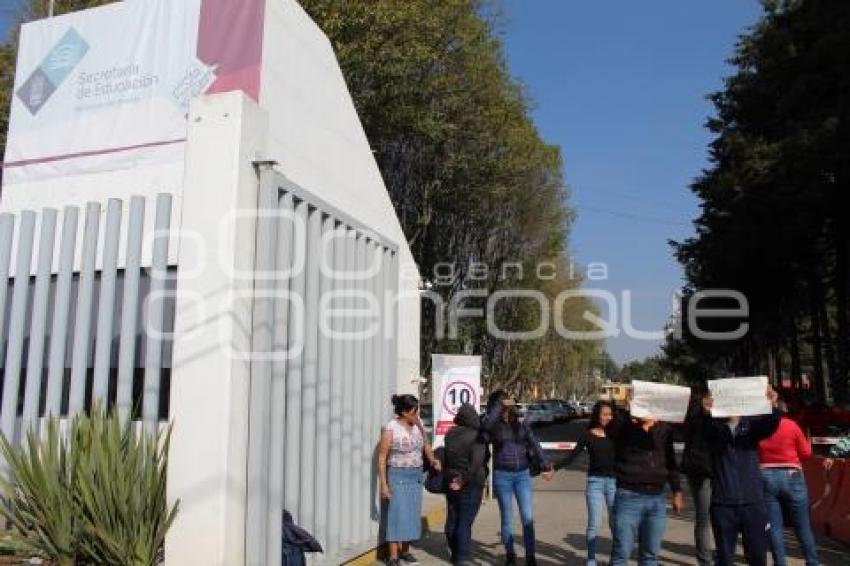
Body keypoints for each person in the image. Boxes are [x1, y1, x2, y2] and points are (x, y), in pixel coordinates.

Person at [699, 384, 781, 566]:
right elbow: (702, 428)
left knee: (758, 557)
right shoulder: (714, 429)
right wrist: (705, 412)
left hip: (753, 504)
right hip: (723, 504)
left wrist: (773, 405)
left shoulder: (751, 427)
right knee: (725, 559)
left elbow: (771, 424)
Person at [608, 396, 684, 566]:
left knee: (651, 555)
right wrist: (627, 411)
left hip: (657, 499)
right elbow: (610, 430)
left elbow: (671, 463)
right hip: (628, 497)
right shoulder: (625, 428)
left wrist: (677, 491)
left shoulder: (664, 429)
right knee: (622, 552)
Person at [481, 391, 554, 566]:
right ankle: (510, 555)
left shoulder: (520, 422)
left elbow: (534, 443)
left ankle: (530, 557)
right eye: (502, 403)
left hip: (522, 474)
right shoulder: (492, 423)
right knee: (507, 517)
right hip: (502, 475)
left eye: (508, 402)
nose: (507, 406)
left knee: (527, 516)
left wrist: (546, 464)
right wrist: (499, 406)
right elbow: (485, 428)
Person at [378, 394, 441, 566]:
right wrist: (384, 484)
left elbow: (426, 444)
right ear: (404, 412)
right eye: (414, 411)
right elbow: (382, 457)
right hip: (397, 476)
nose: (417, 414)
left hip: (416, 476)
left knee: (411, 515)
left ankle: (405, 551)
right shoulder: (391, 428)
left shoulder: (418, 424)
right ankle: (393, 557)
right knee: (396, 515)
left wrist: (432, 459)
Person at [758, 403, 820, 566]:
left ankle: (780, 563)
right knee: (802, 525)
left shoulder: (758, 427)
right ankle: (812, 562)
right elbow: (806, 453)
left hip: (765, 475)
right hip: (792, 475)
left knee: (774, 526)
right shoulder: (791, 426)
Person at [563, 400, 616, 566]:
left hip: (614, 483)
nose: (608, 417)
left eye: (610, 414)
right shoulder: (588, 434)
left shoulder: (617, 434)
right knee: (594, 523)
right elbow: (572, 456)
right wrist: (552, 468)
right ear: (597, 415)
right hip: (595, 483)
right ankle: (591, 559)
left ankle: (615, 559)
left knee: (616, 524)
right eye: (604, 414)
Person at [443, 403, 488, 565]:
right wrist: (463, 480)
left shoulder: (450, 433)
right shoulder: (478, 436)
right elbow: (476, 463)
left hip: (451, 480)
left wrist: (454, 479)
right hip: (471, 482)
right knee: (465, 520)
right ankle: (462, 557)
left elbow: (448, 457)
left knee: (453, 516)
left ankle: (454, 552)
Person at [682, 388, 715, 566]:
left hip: (721, 471)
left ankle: (722, 553)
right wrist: (703, 412)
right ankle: (705, 560)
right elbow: (688, 429)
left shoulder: (723, 412)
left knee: (721, 515)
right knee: (704, 516)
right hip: (700, 471)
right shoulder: (695, 412)